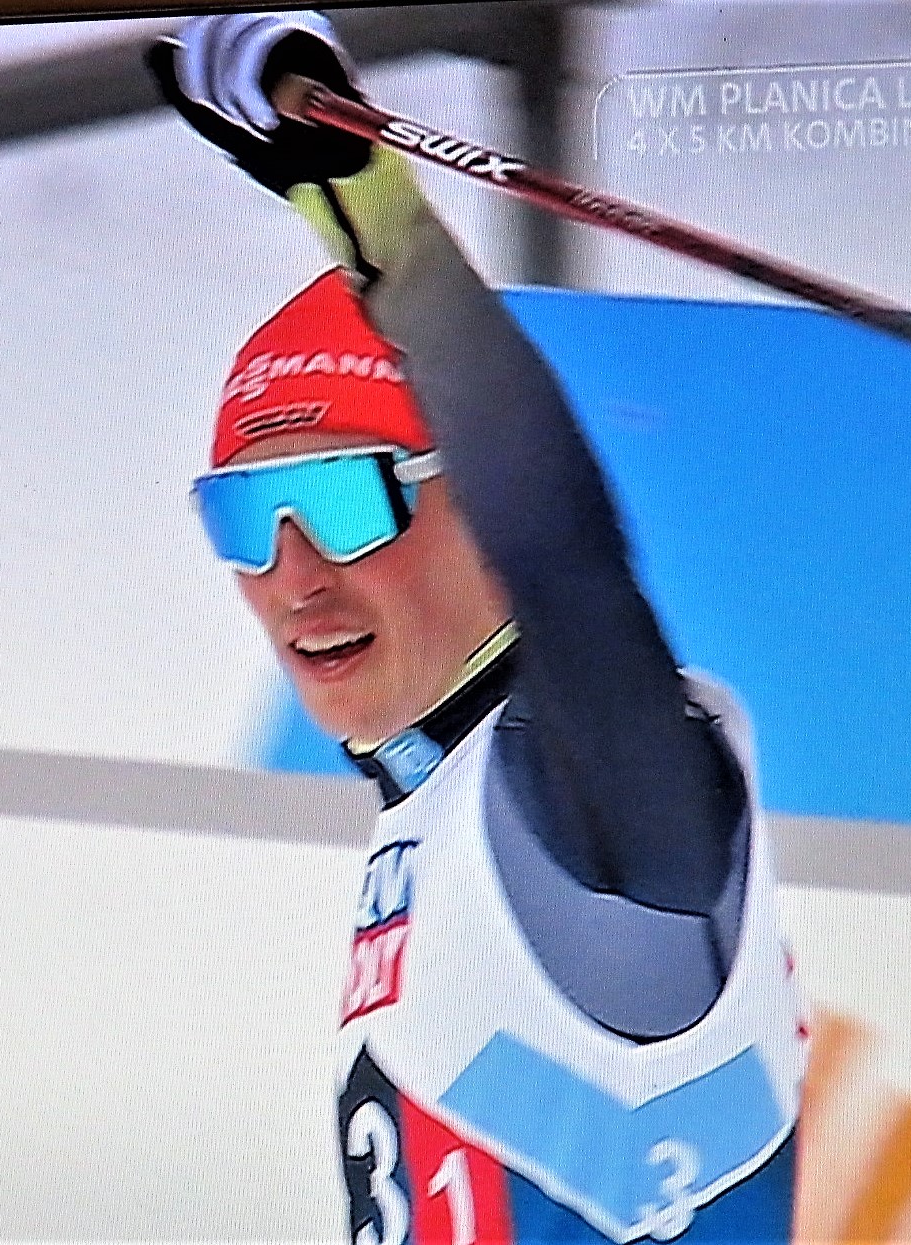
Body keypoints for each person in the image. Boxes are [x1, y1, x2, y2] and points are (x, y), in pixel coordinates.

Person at [152, 12, 806, 1242]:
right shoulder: (438, 813)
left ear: (476, 509)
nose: (293, 575)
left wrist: (367, 210)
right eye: (246, 517)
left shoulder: (600, 794)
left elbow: (564, 551)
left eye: (349, 501)